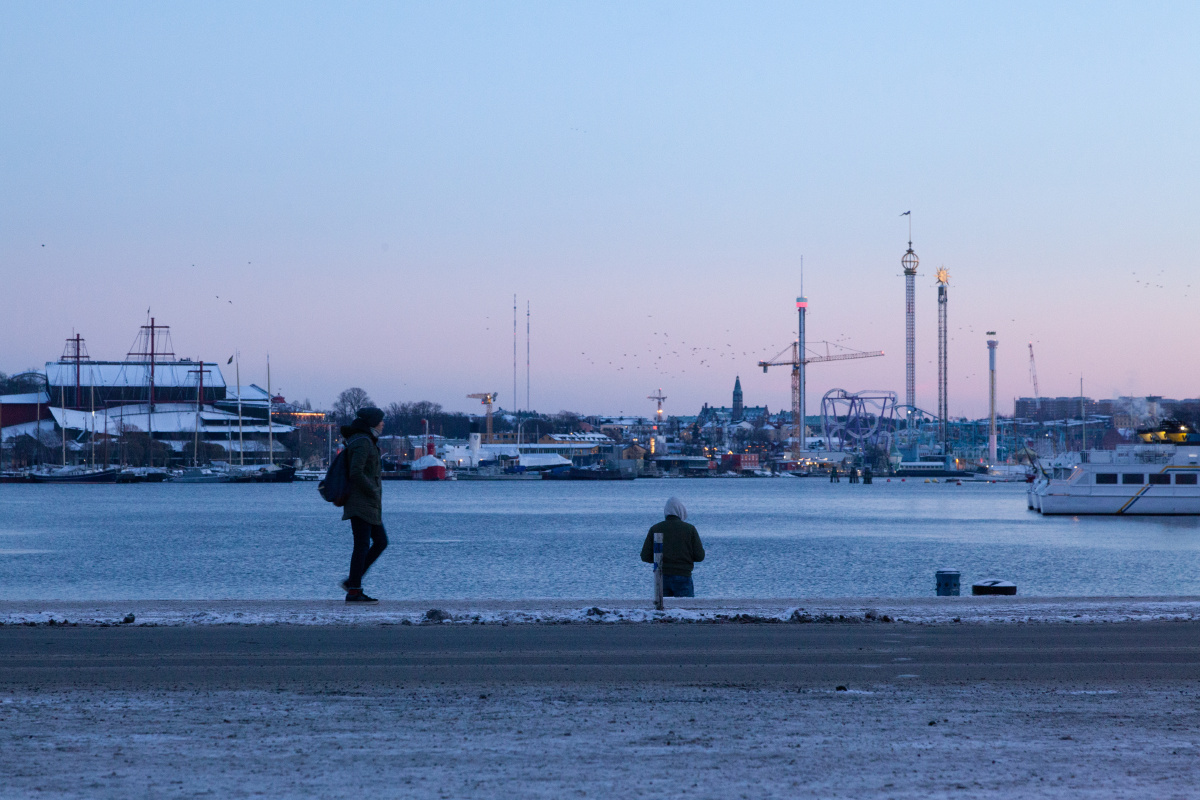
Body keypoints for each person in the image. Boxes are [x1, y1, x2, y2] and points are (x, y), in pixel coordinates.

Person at [339, 406, 388, 603]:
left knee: (380, 542)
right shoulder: (362, 442)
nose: (383, 423)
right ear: (372, 423)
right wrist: (372, 490)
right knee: (361, 545)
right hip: (360, 502)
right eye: (380, 420)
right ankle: (354, 590)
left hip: (369, 503)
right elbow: (356, 472)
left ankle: (352, 582)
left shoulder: (366, 440)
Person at [640, 497, 705, 598]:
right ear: (680, 511)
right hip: (683, 575)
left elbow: (645, 556)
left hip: (661, 576)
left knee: (663, 606)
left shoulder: (655, 528)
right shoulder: (690, 529)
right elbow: (700, 556)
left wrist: (660, 559)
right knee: (685, 607)